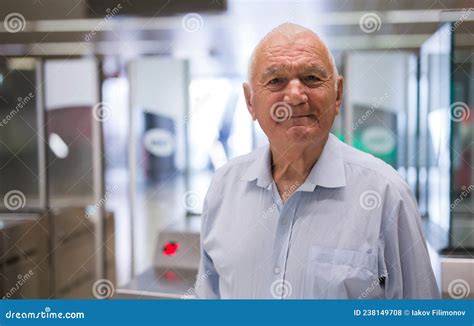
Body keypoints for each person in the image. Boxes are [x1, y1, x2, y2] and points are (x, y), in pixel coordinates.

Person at [194, 22, 440, 299]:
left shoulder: (385, 193)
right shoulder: (223, 188)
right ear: (250, 102)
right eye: (276, 81)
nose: (296, 96)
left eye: (311, 78)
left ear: (337, 93)